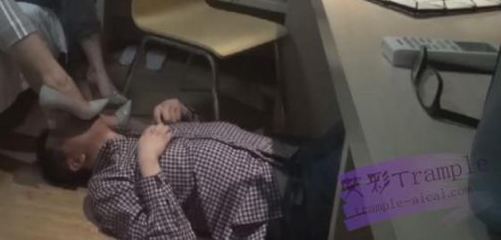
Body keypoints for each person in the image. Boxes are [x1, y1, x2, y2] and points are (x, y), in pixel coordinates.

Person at [37, 99, 344, 240]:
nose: (69, 116)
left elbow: (199, 160)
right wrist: (148, 164)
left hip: (291, 157)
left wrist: (184, 115)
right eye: (64, 129)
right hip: (285, 207)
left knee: (364, 125)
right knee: (376, 182)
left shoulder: (133, 132)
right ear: (75, 161)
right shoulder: (105, 188)